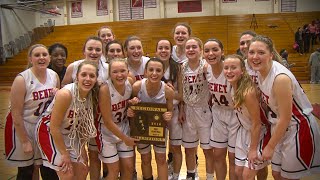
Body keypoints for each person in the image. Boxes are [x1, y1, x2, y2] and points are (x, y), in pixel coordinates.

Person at [248, 35, 320, 179]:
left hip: (298, 128)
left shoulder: (280, 78)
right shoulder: (260, 71)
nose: (255, 56)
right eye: (251, 52)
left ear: (271, 55)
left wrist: (270, 146)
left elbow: (286, 118)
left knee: (289, 177)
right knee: (277, 174)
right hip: (280, 127)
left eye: (261, 52)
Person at [36, 61, 99, 180]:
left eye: (92, 76)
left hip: (69, 133)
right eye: (84, 75)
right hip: (49, 131)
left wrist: (81, 150)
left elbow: (81, 126)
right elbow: (54, 127)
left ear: (96, 79)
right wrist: (64, 154)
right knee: (67, 173)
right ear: (77, 77)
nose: (87, 79)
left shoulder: (91, 95)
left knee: (83, 169)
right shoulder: (66, 94)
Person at [5, 44, 60, 180]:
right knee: (26, 171)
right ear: (30, 59)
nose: (41, 58)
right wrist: (24, 141)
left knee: (49, 169)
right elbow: (16, 113)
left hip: (44, 128)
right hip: (24, 127)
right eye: (37, 55)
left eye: (44, 55)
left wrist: (58, 94)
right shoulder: (22, 79)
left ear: (49, 58)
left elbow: (57, 105)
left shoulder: (54, 76)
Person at [61, 36, 108, 180]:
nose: (94, 52)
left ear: (102, 52)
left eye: (97, 49)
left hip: (96, 118)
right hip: (75, 120)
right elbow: (64, 88)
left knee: (95, 155)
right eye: (90, 49)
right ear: (84, 51)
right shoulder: (74, 67)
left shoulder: (107, 68)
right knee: (79, 162)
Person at [223, 54, 269, 180]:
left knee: (247, 175)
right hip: (243, 132)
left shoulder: (247, 92)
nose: (229, 71)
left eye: (233, 68)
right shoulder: (232, 87)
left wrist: (253, 149)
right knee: (238, 172)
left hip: (258, 133)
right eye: (226, 68)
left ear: (242, 71)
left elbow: (257, 123)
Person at [128, 57, 174, 180]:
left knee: (161, 158)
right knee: (145, 158)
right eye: (151, 70)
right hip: (141, 129)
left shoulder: (168, 91)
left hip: (159, 129)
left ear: (163, 72)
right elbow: (130, 106)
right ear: (145, 72)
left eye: (158, 70)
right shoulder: (137, 87)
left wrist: (168, 115)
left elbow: (170, 111)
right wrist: (131, 106)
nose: (154, 73)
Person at [96, 58, 139, 179]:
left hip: (123, 126)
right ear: (109, 74)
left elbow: (131, 106)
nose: (119, 75)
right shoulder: (105, 89)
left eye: (122, 71)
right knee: (114, 171)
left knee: (129, 167)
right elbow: (108, 122)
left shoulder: (130, 83)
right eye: (115, 72)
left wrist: (132, 104)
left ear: (128, 71)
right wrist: (126, 139)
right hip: (106, 132)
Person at [204, 38, 236, 180]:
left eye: (215, 50)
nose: (211, 53)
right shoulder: (206, 70)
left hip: (235, 115)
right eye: (207, 51)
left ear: (222, 52)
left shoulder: (230, 70)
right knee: (217, 155)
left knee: (233, 156)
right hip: (217, 113)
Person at [239, 31, 269, 180]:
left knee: (263, 165)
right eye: (242, 43)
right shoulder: (240, 66)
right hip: (248, 119)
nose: (245, 46)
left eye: (248, 42)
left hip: (267, 119)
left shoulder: (268, 66)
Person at [180, 37, 211, 180]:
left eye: (194, 47)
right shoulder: (182, 66)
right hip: (188, 110)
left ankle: (210, 177)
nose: (191, 50)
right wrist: (181, 109)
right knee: (189, 148)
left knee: (207, 150)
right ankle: (191, 174)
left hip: (204, 110)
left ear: (201, 50)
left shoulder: (206, 66)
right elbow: (182, 91)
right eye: (188, 47)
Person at [155, 39, 183, 180]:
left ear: (171, 50)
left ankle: (176, 175)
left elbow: (181, 95)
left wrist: (170, 93)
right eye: (160, 48)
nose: (163, 50)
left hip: (174, 111)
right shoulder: (152, 67)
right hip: (157, 113)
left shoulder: (177, 67)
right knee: (160, 150)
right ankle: (164, 172)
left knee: (176, 146)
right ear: (156, 51)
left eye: (167, 48)